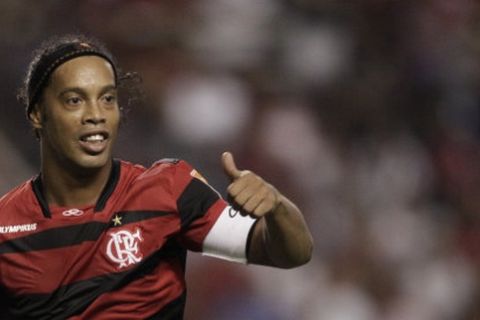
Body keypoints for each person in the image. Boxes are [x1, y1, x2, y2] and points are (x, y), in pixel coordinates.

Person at [0, 34, 313, 319]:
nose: (95, 114)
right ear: (38, 113)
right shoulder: (5, 225)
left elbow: (290, 253)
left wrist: (277, 208)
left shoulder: (168, 188)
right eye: (74, 100)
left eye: (107, 98)